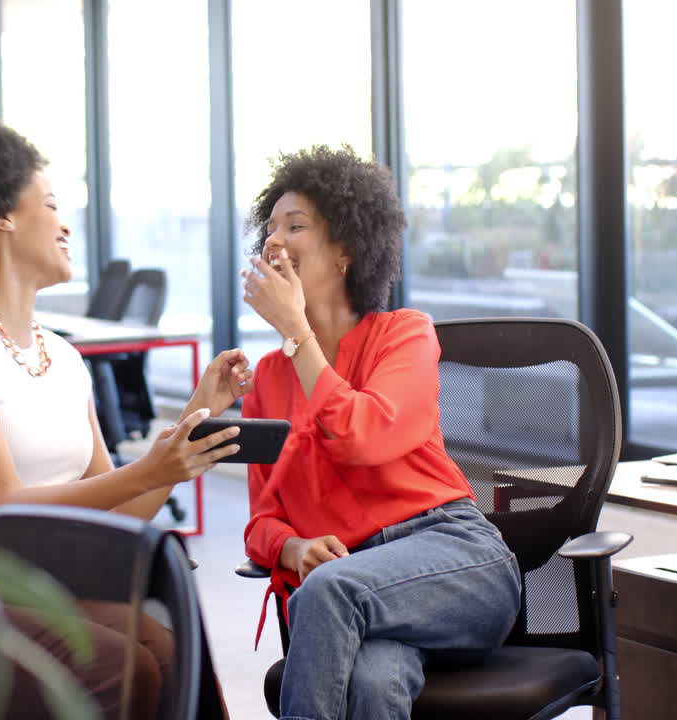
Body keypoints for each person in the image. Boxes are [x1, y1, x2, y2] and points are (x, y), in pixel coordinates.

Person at [0, 121, 246, 719]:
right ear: (1, 214)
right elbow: (6, 507)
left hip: (46, 576)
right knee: (126, 667)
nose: (66, 225)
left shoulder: (63, 357)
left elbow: (115, 511)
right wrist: (147, 471)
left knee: (171, 648)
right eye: (53, 205)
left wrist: (193, 420)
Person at [239, 145, 522, 720]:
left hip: (455, 559)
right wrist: (292, 547)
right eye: (269, 229)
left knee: (330, 591)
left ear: (345, 251)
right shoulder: (268, 378)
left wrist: (296, 333)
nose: (274, 242)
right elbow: (261, 520)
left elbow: (361, 436)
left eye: (295, 227)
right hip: (361, 587)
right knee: (371, 683)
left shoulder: (405, 336)